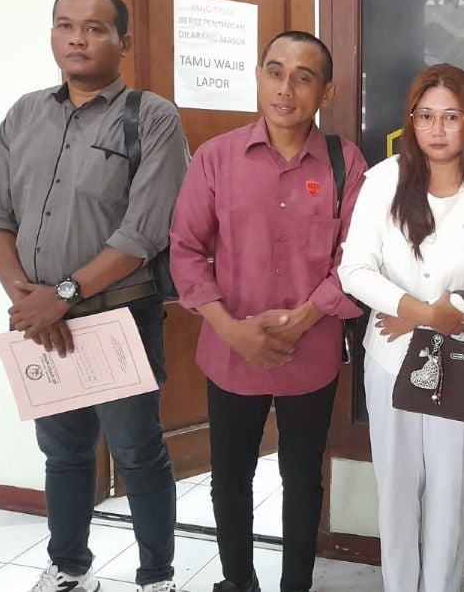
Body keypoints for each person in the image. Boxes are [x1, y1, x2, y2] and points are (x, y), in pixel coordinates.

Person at [0, 0, 189, 592]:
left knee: (137, 451)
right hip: (41, 320)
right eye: (65, 25)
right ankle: (69, 568)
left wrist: (62, 295)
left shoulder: (151, 116)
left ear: (123, 41)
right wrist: (27, 298)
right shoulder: (24, 113)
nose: (77, 38)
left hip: (118, 315)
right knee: (63, 453)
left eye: (95, 27)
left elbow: (144, 232)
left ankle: (156, 578)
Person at [168, 31, 366, 592]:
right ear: (258, 77)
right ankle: (238, 581)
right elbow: (185, 249)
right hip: (232, 350)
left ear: (326, 90)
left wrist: (305, 317)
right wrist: (230, 329)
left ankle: (295, 585)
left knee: (302, 479)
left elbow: (358, 260)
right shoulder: (216, 157)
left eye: (303, 77)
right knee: (230, 477)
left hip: (312, 351)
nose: (285, 89)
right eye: (275, 72)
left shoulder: (345, 162)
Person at [338, 63, 464, 591]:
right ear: (411, 122)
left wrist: (450, 309)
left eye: (451, 116)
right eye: (425, 116)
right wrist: (423, 314)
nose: (437, 129)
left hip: (463, 360)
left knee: (451, 491)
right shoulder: (383, 180)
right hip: (390, 357)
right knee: (396, 490)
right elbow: (355, 270)